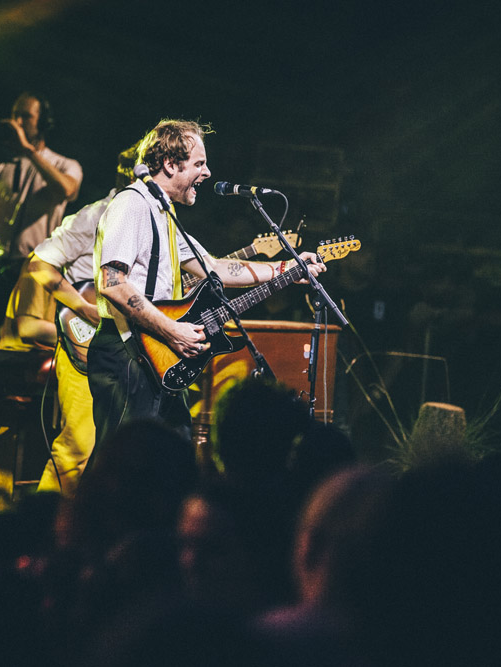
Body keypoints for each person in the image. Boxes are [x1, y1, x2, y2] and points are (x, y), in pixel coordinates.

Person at [87, 119, 327, 449]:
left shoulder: (162, 211)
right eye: (199, 163)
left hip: (160, 353)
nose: (208, 173)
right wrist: (173, 330)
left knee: (171, 461)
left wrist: (289, 267)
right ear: (170, 164)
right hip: (128, 353)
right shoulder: (132, 205)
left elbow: (215, 266)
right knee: (117, 465)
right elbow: (112, 283)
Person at [0, 143, 137, 495]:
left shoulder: (153, 223)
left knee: (119, 454)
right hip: (85, 349)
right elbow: (40, 265)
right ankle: (40, 534)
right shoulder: (96, 216)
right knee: (77, 450)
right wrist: (84, 309)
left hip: (127, 349)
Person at [0, 92, 82, 347]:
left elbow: (67, 191)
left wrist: (29, 151)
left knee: (16, 349)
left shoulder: (65, 164)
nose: (17, 122)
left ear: (43, 122)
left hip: (29, 274)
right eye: (14, 116)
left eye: (25, 116)